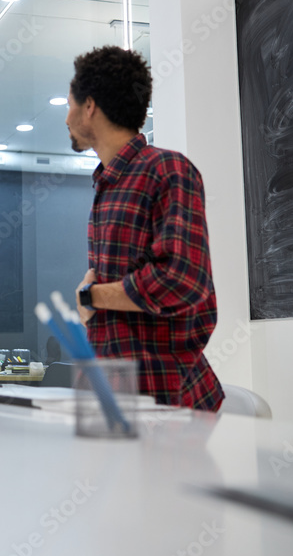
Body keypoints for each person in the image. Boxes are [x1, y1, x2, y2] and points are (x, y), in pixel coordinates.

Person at [66, 46, 224, 411]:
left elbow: (181, 279)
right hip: (119, 396)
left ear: (89, 106)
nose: (66, 117)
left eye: (69, 103)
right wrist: (93, 303)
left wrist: (92, 296)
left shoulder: (168, 170)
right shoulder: (107, 184)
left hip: (167, 401)